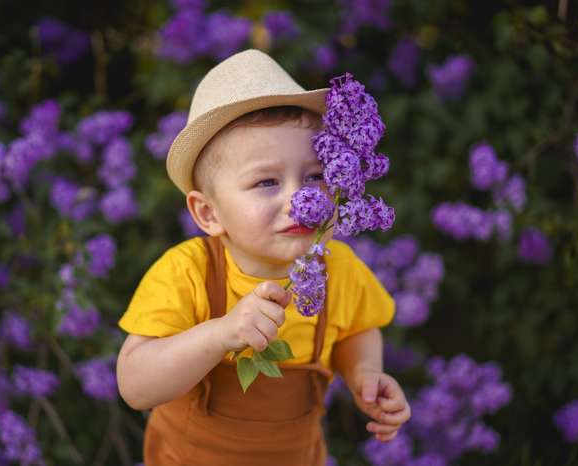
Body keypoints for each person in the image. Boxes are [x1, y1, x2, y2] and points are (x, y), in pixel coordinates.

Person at [116, 49, 411, 466]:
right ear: (209, 213)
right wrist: (219, 335)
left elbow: (357, 329)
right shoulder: (188, 273)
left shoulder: (338, 269)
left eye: (314, 177)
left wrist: (364, 375)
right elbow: (136, 385)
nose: (300, 198)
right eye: (266, 182)